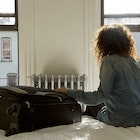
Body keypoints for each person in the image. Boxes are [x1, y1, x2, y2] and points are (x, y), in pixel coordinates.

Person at [55, 24, 140, 127]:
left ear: (103, 43)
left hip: (120, 119)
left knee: (91, 106)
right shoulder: (133, 62)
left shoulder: (109, 61)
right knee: (99, 106)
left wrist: (69, 92)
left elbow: (100, 96)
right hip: (137, 118)